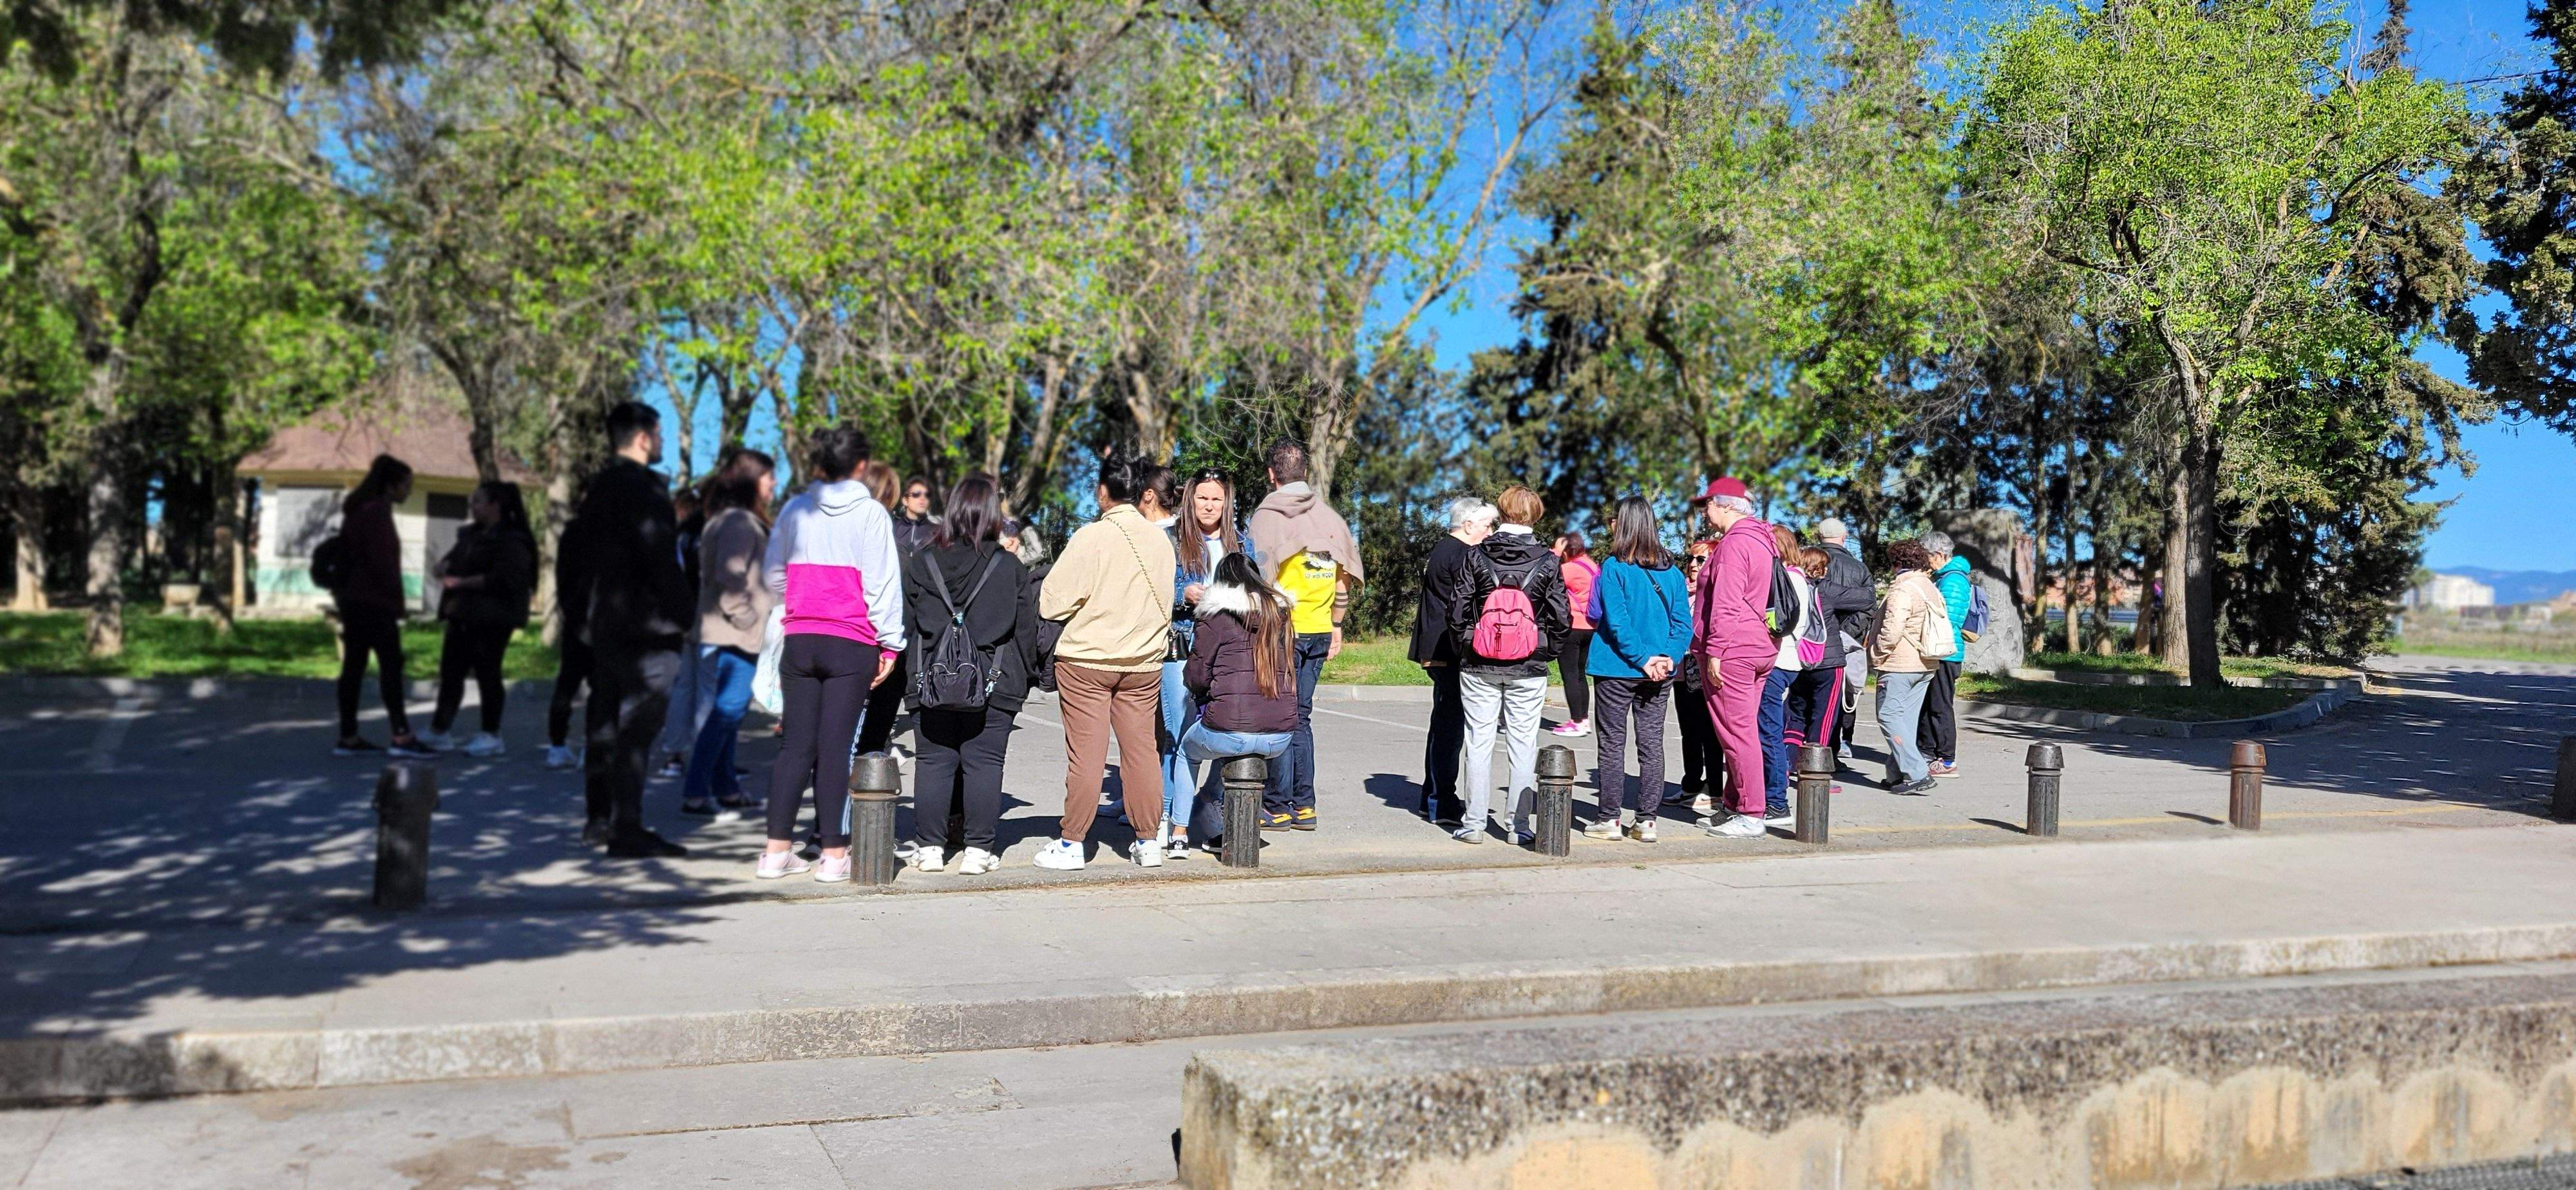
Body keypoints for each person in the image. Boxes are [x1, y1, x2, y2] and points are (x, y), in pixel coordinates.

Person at [757, 426, 906, 881]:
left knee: (794, 747)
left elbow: (772, 576)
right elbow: (882, 586)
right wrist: (891, 643)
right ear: (861, 465)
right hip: (851, 642)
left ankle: (775, 852)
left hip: (800, 637)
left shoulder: (794, 510)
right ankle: (834, 857)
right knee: (836, 748)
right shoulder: (871, 514)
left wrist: (799, 602)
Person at [568, 402, 698, 858]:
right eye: (659, 434)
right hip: (648, 627)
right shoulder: (644, 491)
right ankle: (627, 827)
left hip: (605, 623)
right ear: (643, 437)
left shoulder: (597, 488)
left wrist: (580, 617)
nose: (661, 442)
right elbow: (660, 558)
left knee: (603, 721)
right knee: (638, 727)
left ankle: (598, 820)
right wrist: (686, 615)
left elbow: (574, 557)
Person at [1036, 454, 1174, 870]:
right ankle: (1149, 841)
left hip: (1087, 661)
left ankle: (1073, 842)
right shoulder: (1160, 542)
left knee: (1087, 755)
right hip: (1144, 663)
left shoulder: (1090, 538)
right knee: (1142, 753)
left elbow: (1052, 602)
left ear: (1102, 492)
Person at [900, 473, 1034, 877]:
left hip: (930, 679)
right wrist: (1025, 677)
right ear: (992, 515)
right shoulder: (1009, 567)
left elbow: (908, 625)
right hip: (995, 679)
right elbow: (1025, 630)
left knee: (933, 761)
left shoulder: (921, 561)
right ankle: (978, 851)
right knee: (985, 762)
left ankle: (929, 849)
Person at [1245, 439, 1363, 832]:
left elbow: (1260, 580)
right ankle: (1305, 806)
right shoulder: (1330, 518)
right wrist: (1337, 626)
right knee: (1302, 717)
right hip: (1318, 630)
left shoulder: (1268, 516)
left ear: (1272, 474)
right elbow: (1344, 581)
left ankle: (1277, 807)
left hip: (1282, 631)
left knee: (1280, 715)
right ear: (1305, 473)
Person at [1444, 485, 1569, 845]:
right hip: (1529, 665)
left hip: (1479, 664)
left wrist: (1468, 645)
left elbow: (1458, 609)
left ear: (1502, 512)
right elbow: (1561, 615)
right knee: (1523, 744)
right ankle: (1519, 826)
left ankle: (1473, 824)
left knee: (1479, 742)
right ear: (1536, 515)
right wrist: (1546, 650)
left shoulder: (1478, 554)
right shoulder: (1547, 560)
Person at [1582, 497, 1691, 843]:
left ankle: (1609, 818)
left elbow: (1617, 622)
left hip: (1618, 667)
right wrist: (1668, 658)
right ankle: (1647, 820)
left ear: (1622, 524)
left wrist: (1643, 659)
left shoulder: (1614, 568)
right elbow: (1683, 624)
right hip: (1660, 671)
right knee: (1651, 744)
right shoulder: (1673, 573)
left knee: (1612, 744)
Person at [1179, 552, 1300, 849]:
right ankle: (1223, 825)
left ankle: (1178, 833)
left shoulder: (1215, 616)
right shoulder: (1280, 616)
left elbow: (1197, 674)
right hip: (1280, 737)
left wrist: (1202, 692)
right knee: (1230, 739)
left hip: (1231, 731)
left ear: (1222, 584)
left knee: (1186, 752)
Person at [679, 449, 776, 818]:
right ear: (752, 479)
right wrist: (748, 618)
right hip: (732, 634)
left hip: (730, 632)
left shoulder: (733, 519)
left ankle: (726, 788)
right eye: (769, 476)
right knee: (727, 712)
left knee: (730, 715)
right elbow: (729, 578)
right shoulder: (737, 522)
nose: (773, 483)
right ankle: (695, 791)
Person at [1166, 469, 1251, 855]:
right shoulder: (1170, 540)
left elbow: (1256, 595)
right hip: (1181, 645)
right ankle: (1170, 821)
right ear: (1190, 499)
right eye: (1203, 497)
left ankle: (1207, 806)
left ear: (1226, 502)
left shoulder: (1242, 543)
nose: (1209, 505)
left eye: (1216, 498)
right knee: (1177, 734)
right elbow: (1151, 593)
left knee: (1225, 734)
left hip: (1228, 651)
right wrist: (1182, 593)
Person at [1692, 477, 1780, 838]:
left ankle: (1751, 812)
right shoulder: (1763, 540)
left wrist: (1715, 650)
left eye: (1708, 504)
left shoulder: (1733, 544)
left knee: (1736, 732)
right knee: (1741, 729)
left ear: (1727, 505)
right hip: (1760, 643)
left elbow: (1727, 602)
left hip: (1734, 648)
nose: (1704, 511)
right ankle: (1734, 804)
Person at [424, 480, 537, 757]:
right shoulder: (471, 535)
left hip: (493, 618)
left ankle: (491, 734)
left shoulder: (513, 539)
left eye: (477, 501)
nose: (471, 506)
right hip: (462, 614)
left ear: (495, 505)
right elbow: (453, 560)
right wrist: (443, 567)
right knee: (451, 672)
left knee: (488, 673)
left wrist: (461, 582)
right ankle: (440, 731)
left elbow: (506, 579)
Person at [328, 455, 431, 758]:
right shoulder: (376, 514)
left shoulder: (360, 510)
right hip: (374, 602)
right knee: (390, 667)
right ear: (391, 486)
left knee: (354, 667)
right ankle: (401, 736)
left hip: (354, 599)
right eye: (406, 486)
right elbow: (383, 564)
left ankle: (348, 737)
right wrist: (396, 604)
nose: (409, 492)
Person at [1408, 496, 1496, 825]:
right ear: (1468, 524)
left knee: (1446, 725)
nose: (1491, 533)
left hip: (1444, 648)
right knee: (1449, 727)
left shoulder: (1449, 550)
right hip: (1447, 650)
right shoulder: (1458, 553)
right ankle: (1440, 799)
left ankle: (1433, 795)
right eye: (1487, 526)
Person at [1786, 544, 1871, 792]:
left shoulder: (1792, 588)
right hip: (1829, 661)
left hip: (1799, 661)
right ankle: (1815, 775)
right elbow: (1866, 599)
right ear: (1821, 569)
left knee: (1796, 714)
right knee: (1823, 718)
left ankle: (1787, 764)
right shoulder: (1828, 590)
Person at [1871, 538, 1951, 795]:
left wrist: (1877, 653)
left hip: (1900, 663)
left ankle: (1917, 772)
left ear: (1897, 563)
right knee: (1905, 719)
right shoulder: (1928, 586)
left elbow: (1892, 630)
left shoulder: (1902, 589)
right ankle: (1897, 774)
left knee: (1889, 715)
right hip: (1926, 663)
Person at [852, 460, 910, 760]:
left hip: (833, 636)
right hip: (873, 642)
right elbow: (889, 597)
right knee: (867, 736)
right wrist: (891, 647)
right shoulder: (885, 533)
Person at [651, 486, 710, 778]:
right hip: (706, 615)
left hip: (678, 616)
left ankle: (673, 753)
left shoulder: (676, 535)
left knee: (682, 686)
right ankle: (706, 755)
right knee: (707, 688)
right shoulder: (709, 532)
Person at [1757, 524, 1811, 821]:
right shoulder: (1798, 578)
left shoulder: (1787, 579)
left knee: (1769, 732)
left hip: (1779, 660)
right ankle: (1770, 796)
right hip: (1787, 661)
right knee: (1768, 730)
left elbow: (1780, 621)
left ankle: (1777, 801)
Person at [1815, 517, 1871, 764]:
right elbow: (1869, 605)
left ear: (1819, 537)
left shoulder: (1810, 562)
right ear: (1844, 537)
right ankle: (1840, 745)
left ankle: (1809, 748)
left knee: (1811, 696)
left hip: (1813, 638)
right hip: (1845, 640)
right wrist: (1846, 632)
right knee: (1847, 692)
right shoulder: (1858, 568)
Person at [1917, 530, 1971, 778]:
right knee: (1929, 705)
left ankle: (1947, 759)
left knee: (1940, 706)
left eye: (1926, 556)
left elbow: (1948, 619)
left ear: (1939, 554)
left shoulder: (1953, 579)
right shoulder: (1944, 577)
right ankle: (1927, 752)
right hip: (1939, 650)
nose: (1924, 561)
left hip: (1946, 652)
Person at [1675, 537, 1720, 815]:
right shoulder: (1684, 591)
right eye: (1690, 559)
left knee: (1709, 733)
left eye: (1701, 560)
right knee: (1688, 730)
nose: (1693, 565)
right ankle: (1691, 783)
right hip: (1682, 668)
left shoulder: (1715, 592)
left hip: (1704, 666)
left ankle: (1715, 788)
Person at [546, 511, 594, 770]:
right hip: (602, 616)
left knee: (567, 682)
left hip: (575, 615)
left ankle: (557, 746)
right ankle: (592, 745)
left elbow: (562, 573)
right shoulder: (614, 529)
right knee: (601, 686)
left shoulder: (572, 531)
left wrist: (568, 607)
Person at [1551, 532, 1601, 738]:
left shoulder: (1567, 569)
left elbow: (1546, 573)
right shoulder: (1592, 566)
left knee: (1569, 674)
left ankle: (1576, 721)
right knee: (1581, 674)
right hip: (1591, 626)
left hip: (1572, 627)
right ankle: (1584, 720)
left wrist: (1555, 552)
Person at [892, 475, 939, 554]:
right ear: (905, 501)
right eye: (917, 494)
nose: (923, 498)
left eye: (927, 495)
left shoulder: (938, 532)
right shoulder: (892, 529)